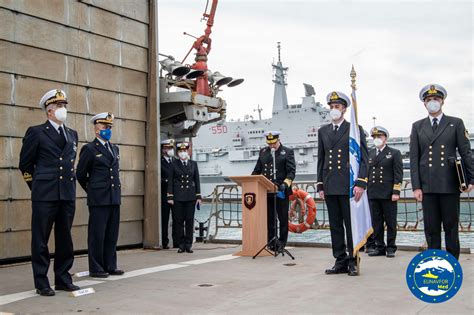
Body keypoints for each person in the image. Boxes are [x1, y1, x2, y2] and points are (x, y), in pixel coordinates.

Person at [19, 89, 80, 296]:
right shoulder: (36, 132)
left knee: (65, 239)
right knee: (40, 240)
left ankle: (63, 279)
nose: (64, 110)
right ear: (49, 111)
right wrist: (36, 187)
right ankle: (42, 282)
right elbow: (25, 165)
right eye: (59, 106)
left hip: (66, 194)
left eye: (65, 106)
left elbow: (70, 163)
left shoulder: (72, 134)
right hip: (44, 195)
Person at [410, 84, 473, 260]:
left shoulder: (456, 123)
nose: (432, 102)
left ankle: (452, 262)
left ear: (442, 101)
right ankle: (433, 262)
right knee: (431, 228)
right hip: (427, 186)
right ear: (424, 104)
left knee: (451, 227)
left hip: (449, 184)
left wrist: (471, 179)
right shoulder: (417, 126)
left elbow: (466, 152)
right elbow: (414, 159)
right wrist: (416, 186)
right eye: (429, 100)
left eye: (435, 99)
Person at [317, 91, 368, 276]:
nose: (333, 110)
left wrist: (361, 182)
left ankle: (353, 259)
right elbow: (321, 159)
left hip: (349, 185)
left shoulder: (354, 129)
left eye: (337, 107)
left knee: (350, 224)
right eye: (331, 107)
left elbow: (363, 158)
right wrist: (320, 184)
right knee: (335, 225)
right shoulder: (323, 131)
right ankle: (340, 259)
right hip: (331, 184)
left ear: (345, 109)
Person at [76, 112, 124, 278]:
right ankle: (96, 268)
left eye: (109, 127)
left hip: (113, 197)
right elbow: (81, 174)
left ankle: (110, 265)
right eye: (105, 127)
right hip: (98, 198)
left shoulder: (114, 148)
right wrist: (92, 190)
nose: (108, 130)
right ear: (96, 129)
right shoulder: (89, 149)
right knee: (97, 234)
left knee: (111, 234)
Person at [252, 131, 296, 251]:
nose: (271, 146)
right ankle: (271, 242)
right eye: (269, 144)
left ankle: (281, 243)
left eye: (274, 143)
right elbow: (257, 170)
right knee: (270, 218)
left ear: (278, 140)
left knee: (282, 219)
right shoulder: (263, 152)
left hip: (281, 191)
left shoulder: (287, 152)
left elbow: (291, 172)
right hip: (266, 191)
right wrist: (251, 181)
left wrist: (285, 185)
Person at [367, 126, 403, 258]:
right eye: (375, 137)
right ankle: (379, 246)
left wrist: (396, 192)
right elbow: (367, 173)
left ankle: (391, 247)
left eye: (379, 137)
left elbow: (398, 174)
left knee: (390, 221)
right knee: (376, 222)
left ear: (385, 138)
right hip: (373, 193)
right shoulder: (370, 153)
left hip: (388, 193)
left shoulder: (394, 153)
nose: (377, 139)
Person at [167, 142, 202, 253]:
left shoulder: (193, 164)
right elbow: (171, 181)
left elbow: (196, 181)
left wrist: (198, 196)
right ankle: (181, 244)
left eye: (185, 151)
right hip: (178, 197)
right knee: (178, 221)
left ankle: (188, 244)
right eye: (181, 151)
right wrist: (170, 197)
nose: (183, 153)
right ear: (178, 153)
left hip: (190, 196)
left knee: (189, 221)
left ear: (188, 151)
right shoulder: (174, 164)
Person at [161, 139, 179, 249]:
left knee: (177, 219)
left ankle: (176, 242)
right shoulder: (160, 162)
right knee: (164, 219)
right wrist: (168, 181)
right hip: (164, 194)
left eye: (171, 148)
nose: (170, 150)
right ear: (163, 149)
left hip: (176, 194)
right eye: (168, 148)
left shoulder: (175, 161)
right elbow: (158, 177)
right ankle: (164, 241)